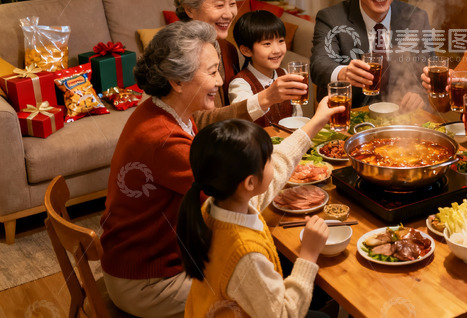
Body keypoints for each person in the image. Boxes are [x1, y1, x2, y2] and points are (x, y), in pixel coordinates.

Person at [100, 22, 340, 317]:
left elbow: (210, 121)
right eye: (212, 72)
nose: (221, 80)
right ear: (177, 80)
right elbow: (244, 198)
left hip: (156, 259)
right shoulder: (163, 140)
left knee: (281, 268)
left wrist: (269, 100)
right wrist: (310, 129)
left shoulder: (163, 109)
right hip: (150, 281)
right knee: (274, 281)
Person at [178, 120, 334, 318]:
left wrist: (316, 122)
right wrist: (309, 254)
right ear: (250, 182)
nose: (274, 159)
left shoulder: (214, 206)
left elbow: (275, 172)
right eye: (269, 158)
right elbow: (284, 315)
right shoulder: (246, 255)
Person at [311, 0, 431, 110]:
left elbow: (428, 69)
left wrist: (420, 93)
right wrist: (344, 73)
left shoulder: (416, 17)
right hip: (348, 118)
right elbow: (319, 65)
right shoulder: (331, 18)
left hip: (401, 119)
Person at [174, 0, 241, 106]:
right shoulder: (180, 59)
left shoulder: (229, 49)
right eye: (219, 5)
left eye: (232, 4)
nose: (229, 14)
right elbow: (198, 120)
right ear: (190, 9)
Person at [229, 10, 305, 126]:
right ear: (246, 50)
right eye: (267, 44)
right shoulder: (240, 83)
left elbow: (296, 114)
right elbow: (241, 116)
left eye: (281, 41)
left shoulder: (283, 73)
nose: (277, 50)